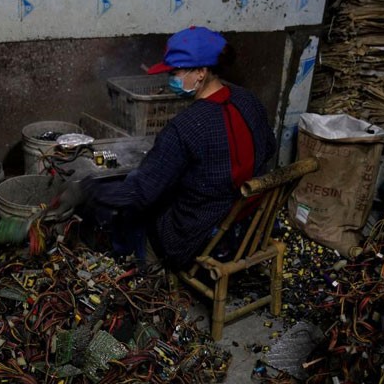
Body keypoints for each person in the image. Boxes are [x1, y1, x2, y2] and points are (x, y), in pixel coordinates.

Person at [85, 26, 276, 269]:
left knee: (133, 207)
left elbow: (139, 193)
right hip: (250, 225)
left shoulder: (186, 127)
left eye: (175, 72)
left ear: (200, 72)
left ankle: (139, 265)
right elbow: (269, 148)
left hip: (205, 238)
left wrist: (88, 189)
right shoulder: (247, 99)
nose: (170, 80)